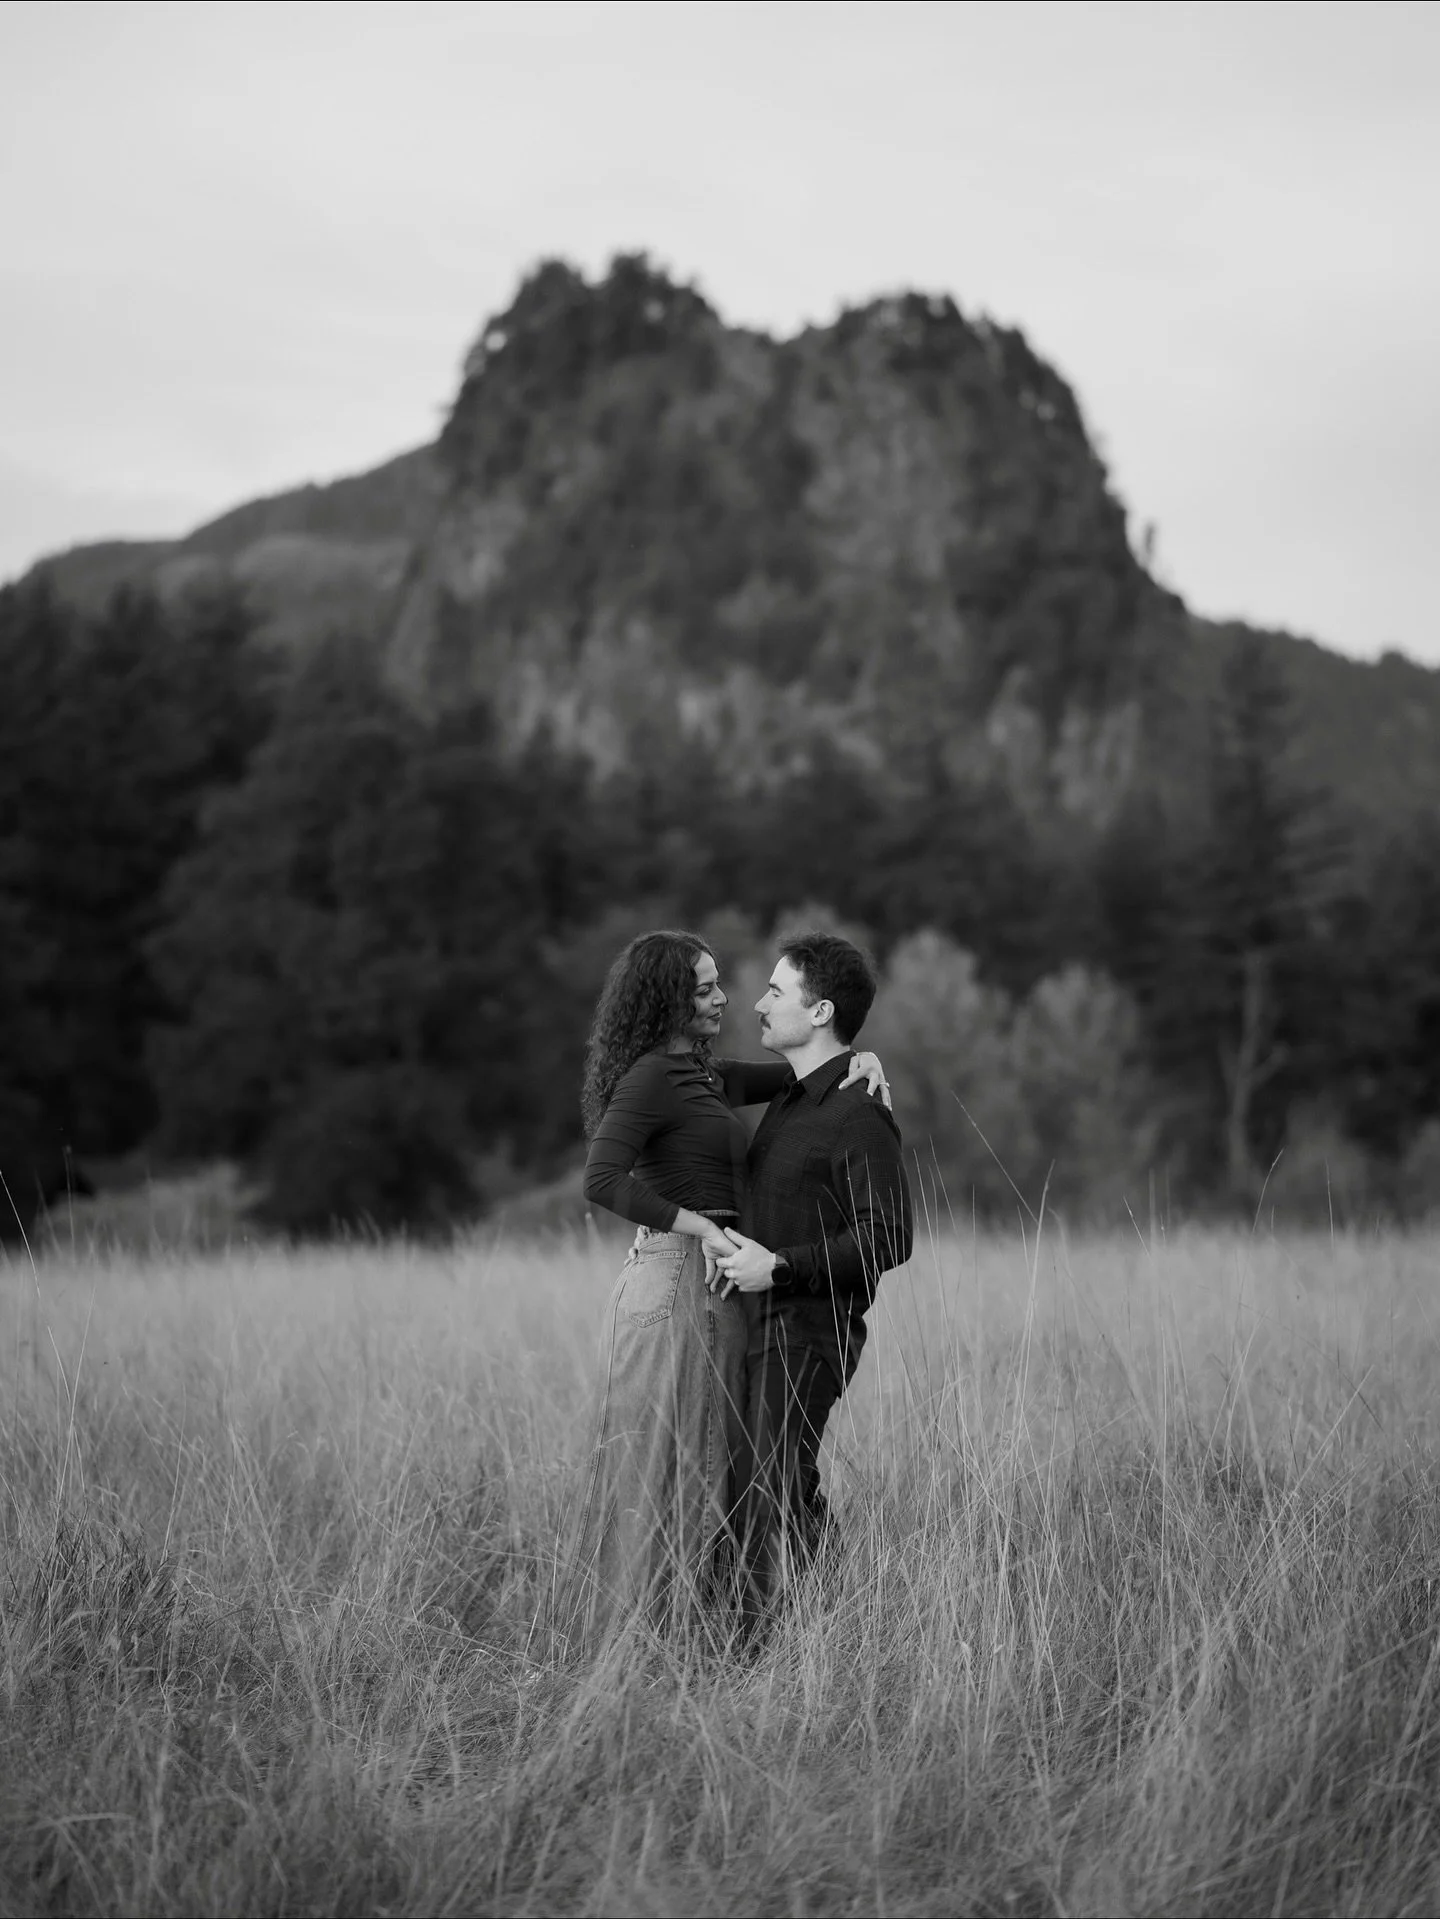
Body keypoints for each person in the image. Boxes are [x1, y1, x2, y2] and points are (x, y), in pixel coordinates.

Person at [557, 928, 890, 1646]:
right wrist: (700, 1228)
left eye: (719, 983)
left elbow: (806, 1075)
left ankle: (696, 1646)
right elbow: (602, 1178)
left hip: (716, 1291)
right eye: (705, 986)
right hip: (679, 1276)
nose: (724, 996)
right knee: (662, 1471)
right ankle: (630, 1654)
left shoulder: (706, 1075)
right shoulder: (652, 1075)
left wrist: (861, 1058)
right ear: (667, 998)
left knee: (710, 1471)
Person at [712, 930, 913, 1626]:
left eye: (776, 989)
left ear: (820, 1010)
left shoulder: (860, 1113)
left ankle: (815, 1634)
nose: (760, 1001)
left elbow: (888, 1237)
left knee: (771, 1485)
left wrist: (781, 1265)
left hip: (808, 1332)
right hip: (752, 1325)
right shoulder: (792, 1099)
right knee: (758, 1487)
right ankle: (786, 1638)